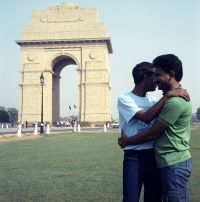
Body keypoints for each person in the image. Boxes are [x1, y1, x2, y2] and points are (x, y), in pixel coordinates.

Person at [119, 54, 192, 202]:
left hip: (154, 155)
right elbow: (146, 119)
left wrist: (127, 141)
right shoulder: (125, 98)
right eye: (154, 75)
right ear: (146, 76)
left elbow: (152, 131)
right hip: (134, 156)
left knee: (154, 198)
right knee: (131, 198)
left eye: (158, 75)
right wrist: (168, 95)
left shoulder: (155, 100)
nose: (156, 81)